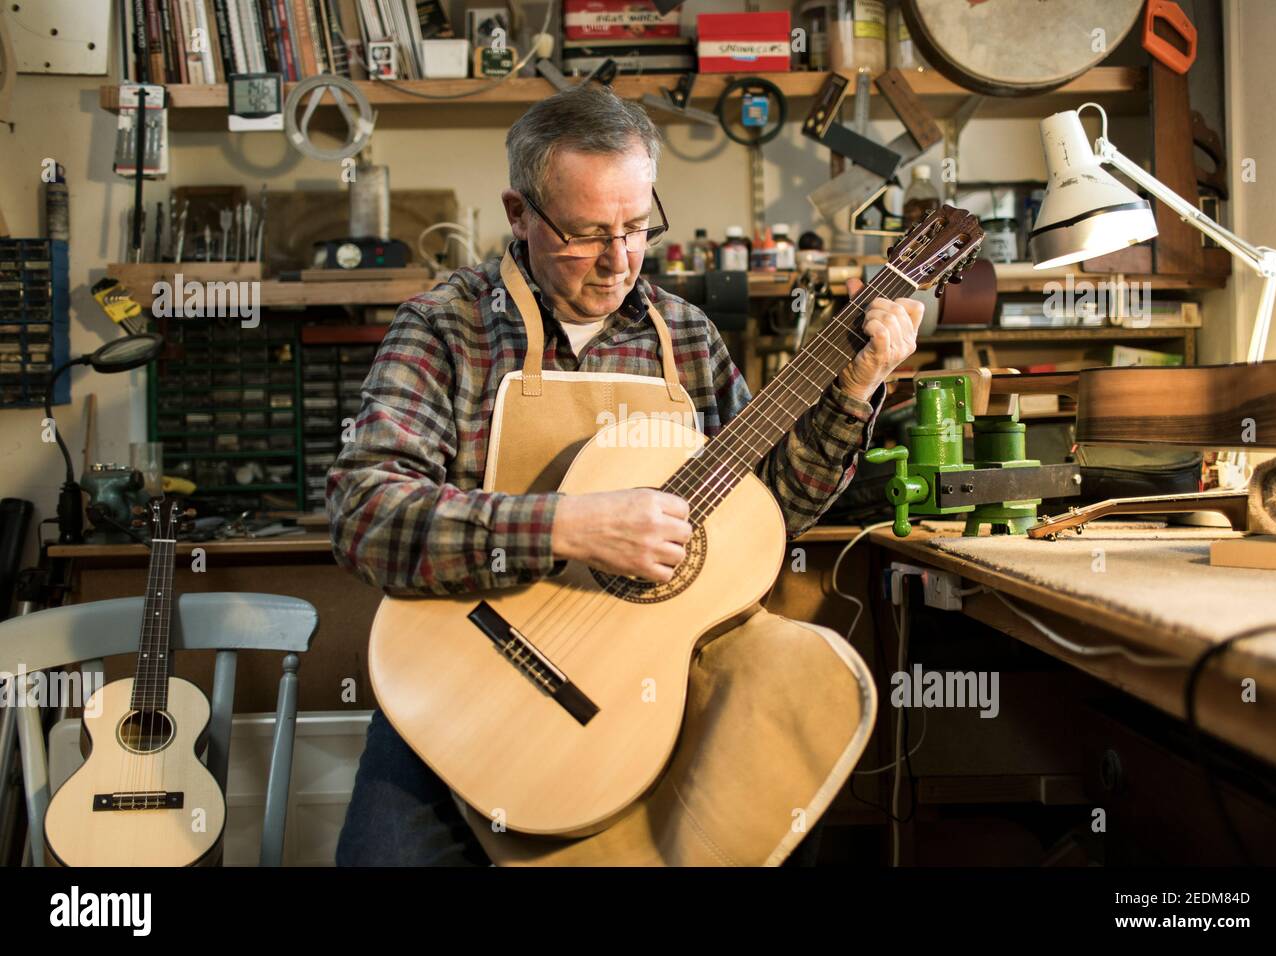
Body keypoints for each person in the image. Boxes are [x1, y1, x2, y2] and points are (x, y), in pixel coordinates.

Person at [326, 85, 924, 866]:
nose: (618, 260)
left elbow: (767, 512)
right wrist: (574, 527)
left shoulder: (686, 336)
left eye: (637, 227)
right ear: (518, 214)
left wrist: (855, 389)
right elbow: (365, 513)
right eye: (584, 234)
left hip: (631, 697)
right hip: (461, 680)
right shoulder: (444, 327)